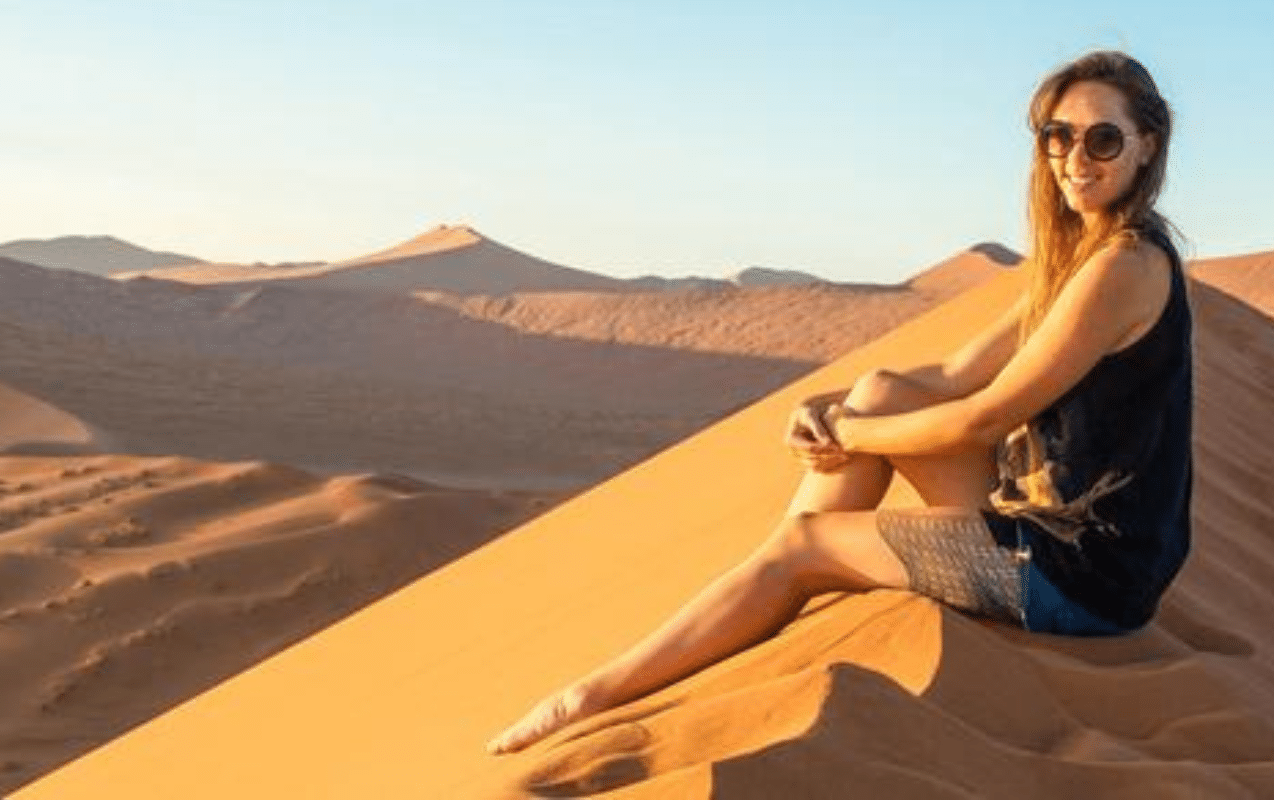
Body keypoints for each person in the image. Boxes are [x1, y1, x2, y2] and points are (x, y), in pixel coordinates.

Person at [487, 49, 1193, 756]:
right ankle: (764, 586)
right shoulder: (1082, 257)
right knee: (882, 389)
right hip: (1053, 533)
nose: (1076, 157)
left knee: (805, 545)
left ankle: (597, 694)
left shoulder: (1123, 268)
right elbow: (954, 371)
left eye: (1103, 138)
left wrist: (853, 437)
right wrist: (832, 406)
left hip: (1081, 578)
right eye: (1056, 137)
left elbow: (984, 416)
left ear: (1146, 145)